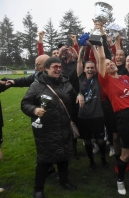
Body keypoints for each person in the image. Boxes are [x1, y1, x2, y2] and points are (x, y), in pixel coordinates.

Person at [21, 57, 80, 198]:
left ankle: (64, 181)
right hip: (46, 129)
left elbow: (73, 98)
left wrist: (80, 95)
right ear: (46, 68)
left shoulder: (66, 83)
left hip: (64, 126)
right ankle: (38, 190)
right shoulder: (37, 85)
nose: (58, 69)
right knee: (44, 159)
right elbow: (25, 103)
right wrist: (34, 110)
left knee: (64, 157)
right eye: (55, 67)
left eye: (60, 67)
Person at [97, 38, 129, 195]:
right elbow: (102, 59)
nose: (111, 64)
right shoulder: (106, 81)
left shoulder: (125, 78)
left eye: (113, 63)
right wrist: (98, 45)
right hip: (123, 117)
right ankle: (120, 181)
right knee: (127, 151)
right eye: (108, 64)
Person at [76, 46, 107, 170]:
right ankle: (91, 161)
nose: (90, 69)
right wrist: (83, 47)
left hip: (97, 115)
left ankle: (103, 159)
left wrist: (93, 47)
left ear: (95, 69)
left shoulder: (98, 78)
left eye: (92, 68)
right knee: (87, 140)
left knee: (100, 140)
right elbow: (79, 61)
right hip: (83, 115)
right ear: (84, 69)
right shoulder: (81, 78)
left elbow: (100, 61)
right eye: (87, 67)